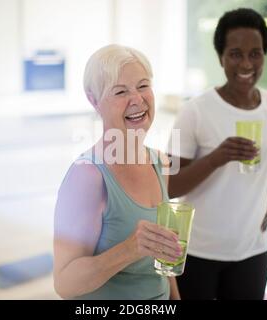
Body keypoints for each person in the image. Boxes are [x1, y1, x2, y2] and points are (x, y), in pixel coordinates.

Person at [167, 8, 267, 299]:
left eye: (255, 53)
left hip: (253, 252)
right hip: (197, 252)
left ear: (264, 56)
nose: (246, 63)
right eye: (235, 53)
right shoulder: (194, 111)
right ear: (221, 57)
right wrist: (215, 159)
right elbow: (168, 185)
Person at [53, 44, 182, 300]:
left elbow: (164, 264)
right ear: (94, 100)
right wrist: (131, 249)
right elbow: (65, 284)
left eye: (143, 86)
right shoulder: (87, 176)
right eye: (121, 91)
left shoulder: (159, 162)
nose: (137, 99)